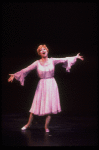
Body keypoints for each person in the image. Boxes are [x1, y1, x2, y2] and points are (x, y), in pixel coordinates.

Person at [8, 44, 84, 132]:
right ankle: (28, 124)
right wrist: (15, 74)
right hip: (41, 84)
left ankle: (46, 127)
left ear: (47, 51)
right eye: (41, 50)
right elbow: (27, 69)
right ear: (39, 53)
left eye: (44, 49)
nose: (43, 51)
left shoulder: (52, 60)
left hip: (51, 84)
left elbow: (64, 59)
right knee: (35, 105)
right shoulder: (37, 63)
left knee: (49, 106)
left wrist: (75, 57)